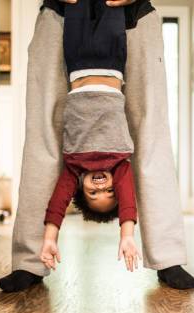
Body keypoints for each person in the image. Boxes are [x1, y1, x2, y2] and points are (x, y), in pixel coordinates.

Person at [0, 0, 194, 292]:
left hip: (135, 15)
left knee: (151, 131)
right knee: (43, 132)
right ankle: (30, 260)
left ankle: (167, 256)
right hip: (59, 13)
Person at [40, 0, 140, 273]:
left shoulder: (74, 167)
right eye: (109, 191)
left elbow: (58, 204)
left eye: (94, 193)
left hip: (78, 61)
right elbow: (129, 203)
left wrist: (50, 238)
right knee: (110, 2)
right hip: (111, 60)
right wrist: (127, 235)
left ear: (81, 188)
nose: (101, 186)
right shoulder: (119, 163)